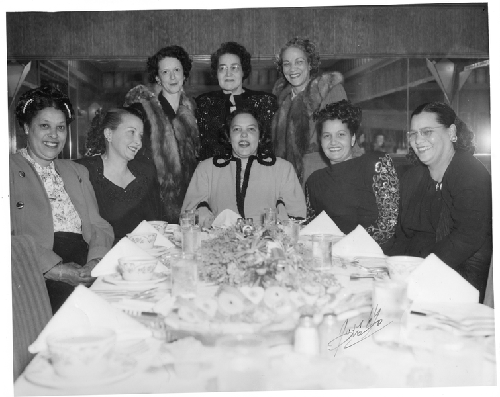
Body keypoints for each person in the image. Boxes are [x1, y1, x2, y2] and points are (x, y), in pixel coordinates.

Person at [10, 85, 114, 313]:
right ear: (27, 128)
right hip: (37, 273)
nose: (54, 135)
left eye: (60, 127)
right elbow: (8, 238)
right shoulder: (7, 169)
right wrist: (55, 270)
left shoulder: (76, 171)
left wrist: (95, 263)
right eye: (44, 126)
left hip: (83, 261)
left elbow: (98, 226)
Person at [383, 102, 492, 300]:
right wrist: (387, 268)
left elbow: (466, 238)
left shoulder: (471, 174)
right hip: (415, 278)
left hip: (457, 282)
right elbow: (401, 236)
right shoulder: (412, 177)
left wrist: (414, 273)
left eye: (427, 132)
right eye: (413, 134)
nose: (418, 140)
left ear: (451, 132)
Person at [182, 108, 306, 227]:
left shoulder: (283, 169)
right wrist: (200, 212)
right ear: (228, 136)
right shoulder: (207, 168)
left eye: (251, 129)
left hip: (267, 244)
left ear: (260, 136)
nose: (244, 135)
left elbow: (297, 219)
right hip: (219, 244)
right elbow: (187, 217)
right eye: (237, 129)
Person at [305, 100, 400, 245]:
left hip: (374, 259)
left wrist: (345, 244)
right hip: (334, 261)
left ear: (353, 138)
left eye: (341, 135)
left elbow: (388, 225)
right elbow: (312, 231)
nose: (333, 142)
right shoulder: (314, 181)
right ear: (320, 141)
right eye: (327, 136)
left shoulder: (376, 164)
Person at [124, 45, 199, 223]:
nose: (172, 77)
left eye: (176, 70)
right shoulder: (141, 112)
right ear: (158, 78)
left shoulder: (191, 115)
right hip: (150, 204)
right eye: (165, 72)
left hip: (186, 204)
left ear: (184, 74)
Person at [272, 37, 351, 185]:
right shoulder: (279, 102)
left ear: (310, 64)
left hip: (323, 176)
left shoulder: (329, 91)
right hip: (288, 181)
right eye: (286, 64)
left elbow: (344, 137)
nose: (292, 68)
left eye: (299, 62)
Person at [77, 107, 162, 244]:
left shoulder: (146, 172)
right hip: (102, 258)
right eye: (131, 132)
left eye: (140, 135)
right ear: (109, 134)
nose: (138, 142)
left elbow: (156, 224)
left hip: (143, 256)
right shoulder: (85, 171)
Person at [196, 41, 278, 161]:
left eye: (234, 68)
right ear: (216, 73)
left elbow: (270, 147)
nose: (228, 74)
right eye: (222, 68)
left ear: (243, 71)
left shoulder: (265, 102)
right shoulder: (203, 104)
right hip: (215, 173)